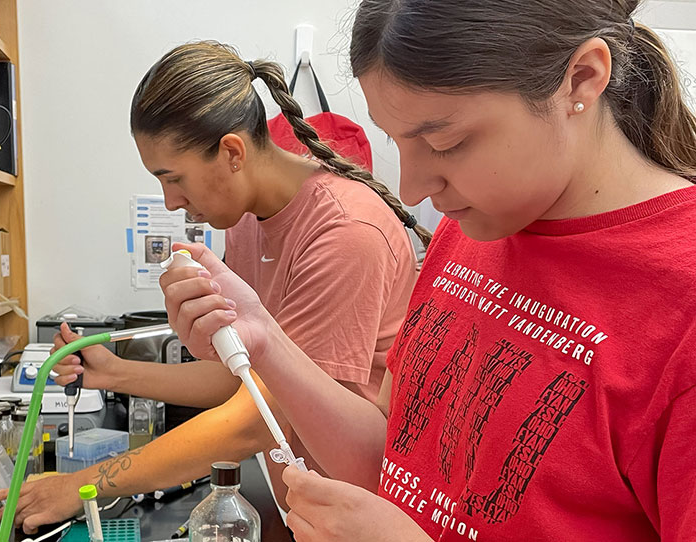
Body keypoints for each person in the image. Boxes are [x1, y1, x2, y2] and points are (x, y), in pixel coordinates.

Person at [159, 1, 696, 541]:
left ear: (580, 79)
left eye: (446, 143)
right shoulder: (471, 227)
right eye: (397, 141)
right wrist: (266, 341)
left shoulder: (680, 302)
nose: (413, 189)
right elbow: (392, 458)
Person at [0, 41, 426, 533]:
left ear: (232, 152)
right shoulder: (245, 220)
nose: (171, 202)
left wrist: (81, 485)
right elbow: (244, 375)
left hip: (354, 520)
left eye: (174, 179)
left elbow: (253, 419)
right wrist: (115, 374)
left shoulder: (346, 234)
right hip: (298, 504)